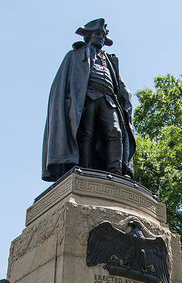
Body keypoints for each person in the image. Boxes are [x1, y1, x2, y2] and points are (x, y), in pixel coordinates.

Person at [41, 18, 135, 181]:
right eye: (98, 34)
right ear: (88, 36)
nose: (101, 38)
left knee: (116, 131)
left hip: (108, 99)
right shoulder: (75, 56)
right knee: (86, 133)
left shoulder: (110, 61)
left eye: (103, 35)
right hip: (87, 98)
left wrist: (126, 97)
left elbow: (120, 86)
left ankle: (116, 170)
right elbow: (64, 85)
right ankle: (85, 168)